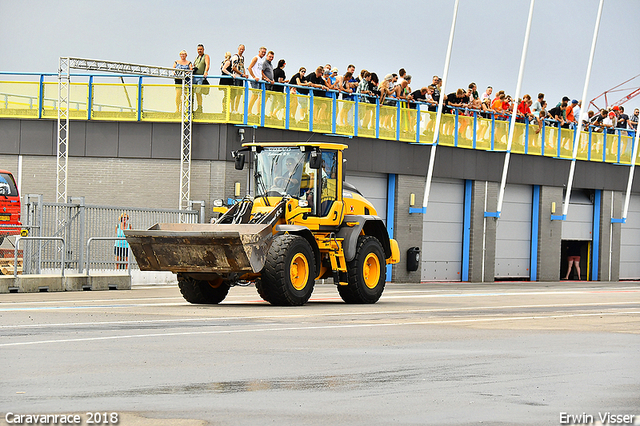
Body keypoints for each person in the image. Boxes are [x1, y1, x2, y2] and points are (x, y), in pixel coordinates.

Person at [247, 47, 267, 115]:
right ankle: (248, 111)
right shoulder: (256, 58)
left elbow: (260, 71)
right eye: (262, 52)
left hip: (259, 80)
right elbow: (249, 68)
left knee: (258, 96)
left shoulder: (261, 60)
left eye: (265, 52)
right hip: (255, 80)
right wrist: (254, 77)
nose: (263, 54)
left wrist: (265, 78)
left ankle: (257, 112)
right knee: (254, 95)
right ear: (259, 52)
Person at [230, 45, 248, 113]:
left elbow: (243, 67)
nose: (242, 50)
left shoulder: (242, 58)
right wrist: (241, 74)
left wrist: (244, 75)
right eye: (240, 49)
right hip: (236, 77)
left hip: (241, 78)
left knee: (239, 94)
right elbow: (233, 68)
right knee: (234, 94)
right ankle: (232, 109)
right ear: (238, 48)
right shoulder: (235, 57)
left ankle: (236, 109)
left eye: (243, 49)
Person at [192, 44, 210, 113]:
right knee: (192, 92)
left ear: (203, 50)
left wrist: (206, 71)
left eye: (201, 49)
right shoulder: (196, 58)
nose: (199, 50)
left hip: (200, 77)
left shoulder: (206, 56)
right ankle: (191, 107)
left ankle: (200, 107)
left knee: (198, 92)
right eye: (198, 49)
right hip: (194, 77)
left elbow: (207, 65)